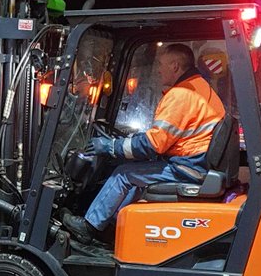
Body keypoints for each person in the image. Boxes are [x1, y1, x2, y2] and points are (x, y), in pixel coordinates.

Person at [62, 43, 226, 244]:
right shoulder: (199, 86)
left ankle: (89, 227)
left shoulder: (181, 95)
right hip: (197, 161)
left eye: (161, 64)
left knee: (123, 174)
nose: (158, 69)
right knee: (134, 172)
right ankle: (113, 228)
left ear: (175, 66)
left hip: (188, 167)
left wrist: (110, 146)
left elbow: (153, 144)